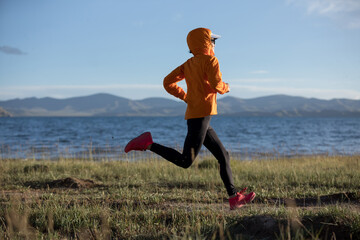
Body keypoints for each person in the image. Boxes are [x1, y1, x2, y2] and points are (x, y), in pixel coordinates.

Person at [124, 27, 255, 210]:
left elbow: (167, 82)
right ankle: (147, 143)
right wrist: (227, 87)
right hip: (200, 116)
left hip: (199, 116)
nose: (214, 45)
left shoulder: (188, 64)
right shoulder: (211, 60)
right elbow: (217, 85)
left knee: (223, 155)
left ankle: (234, 197)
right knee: (185, 161)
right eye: (213, 41)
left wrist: (186, 97)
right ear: (207, 43)